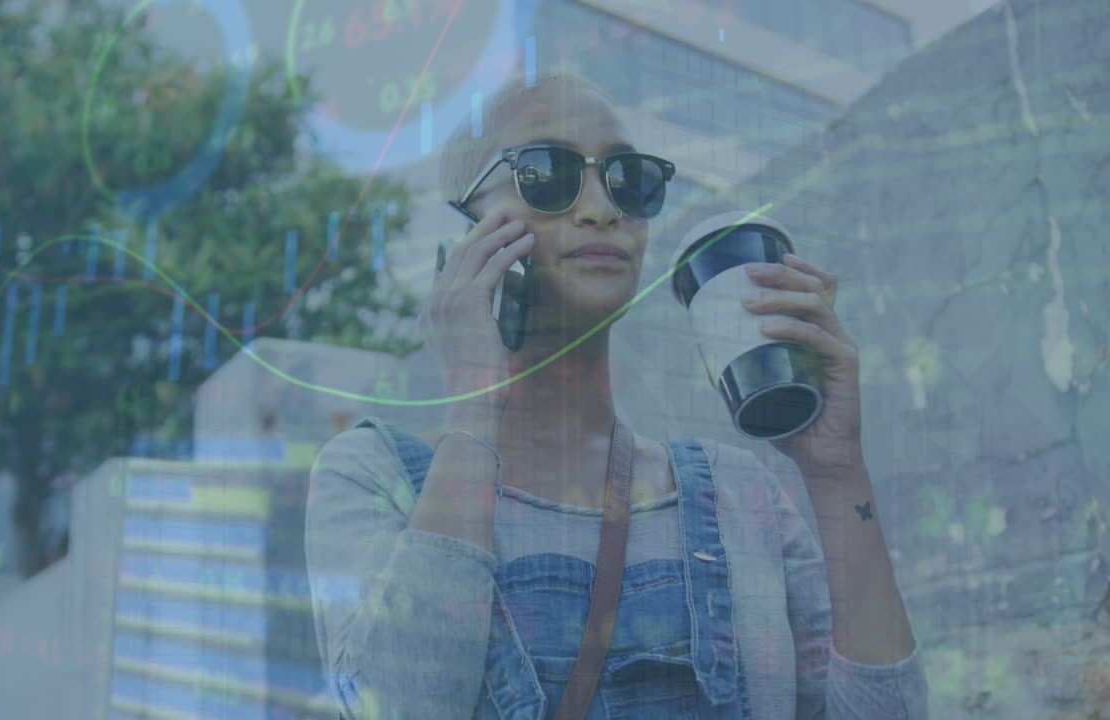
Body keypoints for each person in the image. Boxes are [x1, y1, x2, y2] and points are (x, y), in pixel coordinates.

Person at [305, 70, 927, 719]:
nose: (602, 207)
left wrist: (835, 471)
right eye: (548, 173)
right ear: (461, 237)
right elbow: (406, 706)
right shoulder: (374, 477)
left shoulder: (740, 493)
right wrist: (473, 398)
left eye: (629, 178)